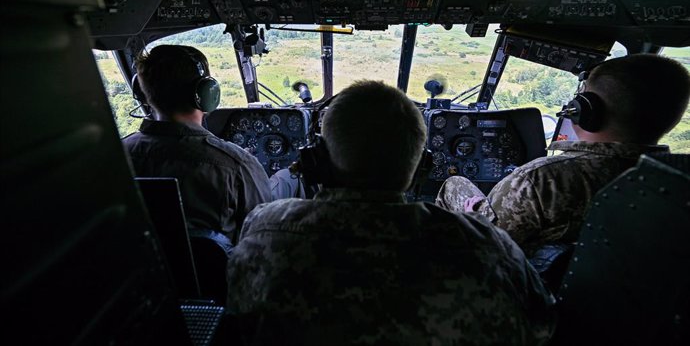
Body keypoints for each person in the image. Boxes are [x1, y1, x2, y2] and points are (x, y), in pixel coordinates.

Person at [226, 81, 555, 346]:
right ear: (423, 168)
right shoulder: (490, 247)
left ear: (316, 160)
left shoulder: (263, 232)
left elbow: (238, 318)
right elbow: (541, 329)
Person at [436, 54, 690, 257]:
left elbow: (486, 248)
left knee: (454, 184)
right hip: (604, 304)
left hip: (530, 299)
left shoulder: (544, 179)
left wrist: (473, 219)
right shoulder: (676, 184)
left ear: (585, 110)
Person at [123, 45, 271, 244]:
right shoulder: (238, 167)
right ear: (206, 93)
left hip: (141, 274)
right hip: (218, 275)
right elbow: (265, 238)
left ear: (141, 93)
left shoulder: (114, 156)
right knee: (287, 178)